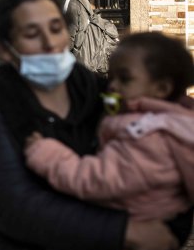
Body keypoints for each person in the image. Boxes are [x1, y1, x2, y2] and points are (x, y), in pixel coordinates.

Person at [0, 0, 192, 250]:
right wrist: (123, 231)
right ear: (6, 49)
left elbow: (173, 159)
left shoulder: (106, 95)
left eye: (56, 28)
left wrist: (171, 229)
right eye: (32, 34)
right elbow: (11, 205)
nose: (50, 42)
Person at [25, 32, 194, 221]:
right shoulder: (156, 123)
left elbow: (96, 181)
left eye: (124, 78)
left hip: (130, 229)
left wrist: (46, 153)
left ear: (161, 89)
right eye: (111, 76)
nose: (112, 86)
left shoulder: (148, 136)